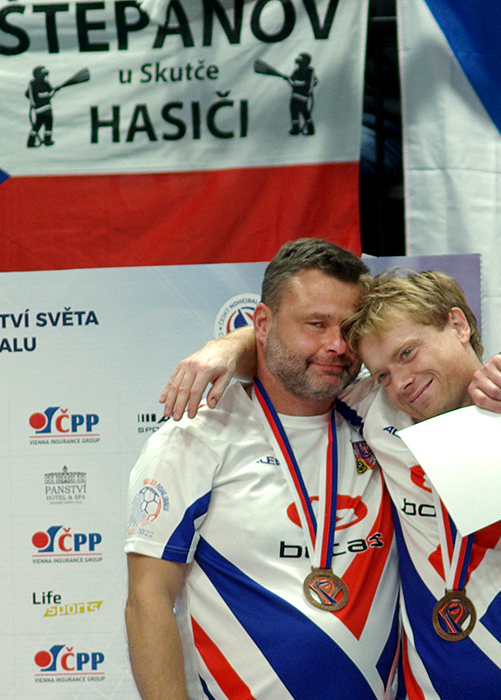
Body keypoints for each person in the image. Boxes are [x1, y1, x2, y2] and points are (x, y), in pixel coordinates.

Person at [157, 135, 501, 699]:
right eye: (382, 372)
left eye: (408, 353)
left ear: (458, 325)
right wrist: (228, 348)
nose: (400, 381)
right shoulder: (378, 416)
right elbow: (299, 364)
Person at [124, 239, 402, 700]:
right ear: (264, 324)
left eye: (349, 327)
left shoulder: (382, 415)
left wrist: (230, 346)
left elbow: (451, 360)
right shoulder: (196, 438)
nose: (336, 345)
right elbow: (147, 600)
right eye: (316, 324)